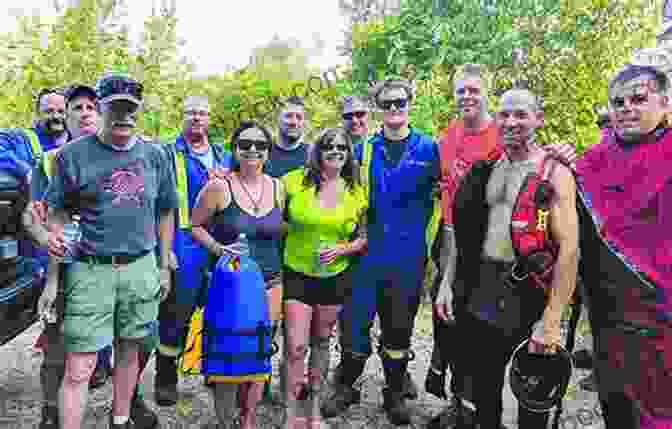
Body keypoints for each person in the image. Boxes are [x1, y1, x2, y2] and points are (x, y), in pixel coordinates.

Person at [435, 88, 579, 429]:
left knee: (534, 394)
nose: (511, 122)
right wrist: (446, 282)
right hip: (482, 289)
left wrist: (552, 318)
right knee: (484, 390)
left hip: (529, 291)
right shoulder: (485, 170)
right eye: (504, 114)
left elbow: (570, 251)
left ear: (538, 120)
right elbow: (463, 233)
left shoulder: (554, 173)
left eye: (521, 114)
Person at [44, 72, 176, 429]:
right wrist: (53, 280)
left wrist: (163, 265)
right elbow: (56, 212)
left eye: (130, 109)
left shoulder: (156, 155)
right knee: (79, 365)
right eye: (115, 107)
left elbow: (166, 210)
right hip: (90, 269)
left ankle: (120, 420)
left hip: (140, 266)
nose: (123, 116)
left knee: (131, 349)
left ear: (139, 112)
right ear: (101, 109)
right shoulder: (72, 156)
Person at [323, 78, 441, 425]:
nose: (394, 109)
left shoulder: (428, 149)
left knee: (398, 329)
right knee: (354, 325)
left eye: (399, 102)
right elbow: (328, 183)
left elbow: (453, 187)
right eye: (387, 103)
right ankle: (346, 386)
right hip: (364, 258)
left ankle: (393, 391)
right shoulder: (363, 150)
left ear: (410, 104)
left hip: (407, 258)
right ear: (378, 108)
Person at [574, 64, 672, 429]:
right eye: (618, 102)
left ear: (664, 103)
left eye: (638, 99)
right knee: (616, 405)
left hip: (661, 313)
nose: (626, 108)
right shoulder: (593, 160)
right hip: (608, 312)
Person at [19, 84, 117, 429]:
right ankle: (50, 412)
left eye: (93, 107)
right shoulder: (47, 162)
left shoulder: (122, 153)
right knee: (57, 347)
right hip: (63, 267)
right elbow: (31, 216)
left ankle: (126, 406)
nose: (86, 113)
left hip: (111, 267)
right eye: (78, 108)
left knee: (120, 343)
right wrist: (47, 240)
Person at [190, 121, 284, 429]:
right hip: (230, 286)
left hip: (271, 282)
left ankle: (248, 419)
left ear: (269, 152)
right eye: (245, 144)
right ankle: (225, 420)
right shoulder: (219, 186)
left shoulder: (279, 187)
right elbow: (195, 225)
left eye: (260, 145)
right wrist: (218, 248)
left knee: (259, 354)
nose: (252, 150)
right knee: (228, 356)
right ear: (234, 149)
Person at [427, 64, 503, 422]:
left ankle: (481, 409)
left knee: (483, 327)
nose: (467, 96)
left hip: (494, 246)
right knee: (448, 317)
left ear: (486, 92)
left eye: (473, 90)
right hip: (452, 237)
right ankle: (456, 402)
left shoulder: (503, 134)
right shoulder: (447, 138)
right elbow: (443, 191)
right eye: (461, 91)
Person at [281, 127, 368, 428]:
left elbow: (362, 238)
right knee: (295, 347)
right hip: (296, 274)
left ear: (348, 153)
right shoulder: (293, 182)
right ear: (318, 151)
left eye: (342, 147)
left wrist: (344, 249)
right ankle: (291, 414)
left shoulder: (356, 190)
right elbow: (266, 208)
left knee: (320, 342)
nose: (335, 152)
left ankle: (314, 412)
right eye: (329, 146)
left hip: (334, 277)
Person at [154, 95, 232, 406]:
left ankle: (214, 373)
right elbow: (158, 205)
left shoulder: (223, 156)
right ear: (182, 116)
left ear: (209, 118)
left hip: (217, 242)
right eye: (191, 113)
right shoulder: (166, 153)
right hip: (183, 243)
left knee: (218, 312)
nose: (197, 118)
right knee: (175, 314)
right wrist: (165, 249)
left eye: (202, 113)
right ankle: (166, 377)